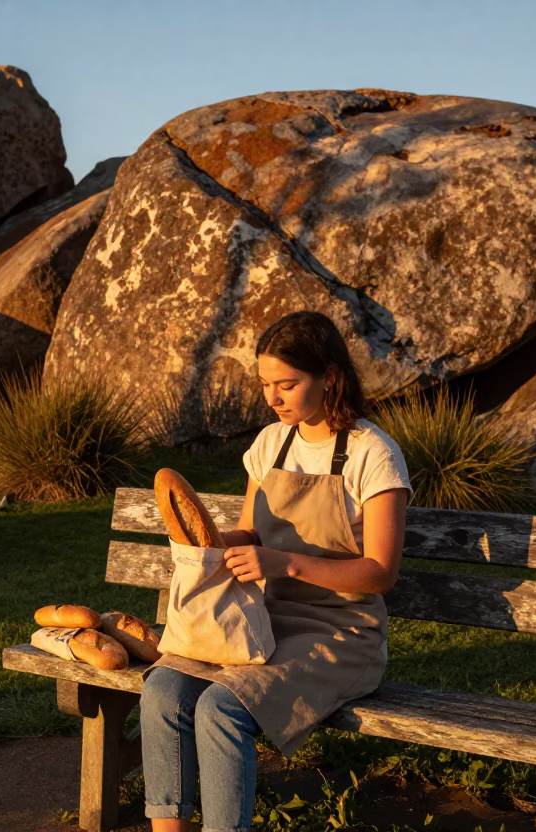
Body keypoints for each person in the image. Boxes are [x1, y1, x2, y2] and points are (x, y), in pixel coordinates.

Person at [139, 310, 412, 832]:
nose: (273, 398)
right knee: (164, 690)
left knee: (221, 708)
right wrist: (203, 543)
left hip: (343, 635)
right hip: (264, 623)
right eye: (265, 385)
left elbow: (380, 573)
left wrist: (283, 562)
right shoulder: (271, 444)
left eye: (286, 384)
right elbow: (250, 533)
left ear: (329, 377)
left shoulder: (372, 454)